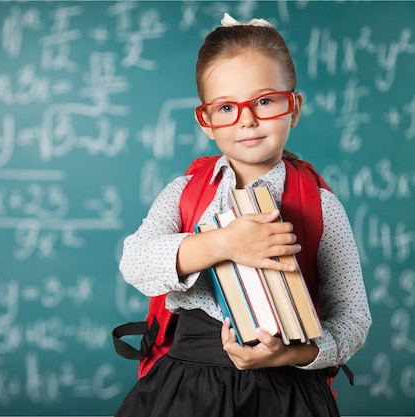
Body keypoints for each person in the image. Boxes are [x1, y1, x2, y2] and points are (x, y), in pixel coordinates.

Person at [114, 13, 372, 417]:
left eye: (265, 101)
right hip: (186, 387)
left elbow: (353, 317)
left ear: (295, 107)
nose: (247, 119)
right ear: (206, 121)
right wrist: (224, 242)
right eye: (227, 107)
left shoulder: (321, 206)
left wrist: (291, 355)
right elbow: (134, 262)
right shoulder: (184, 193)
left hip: (287, 391)